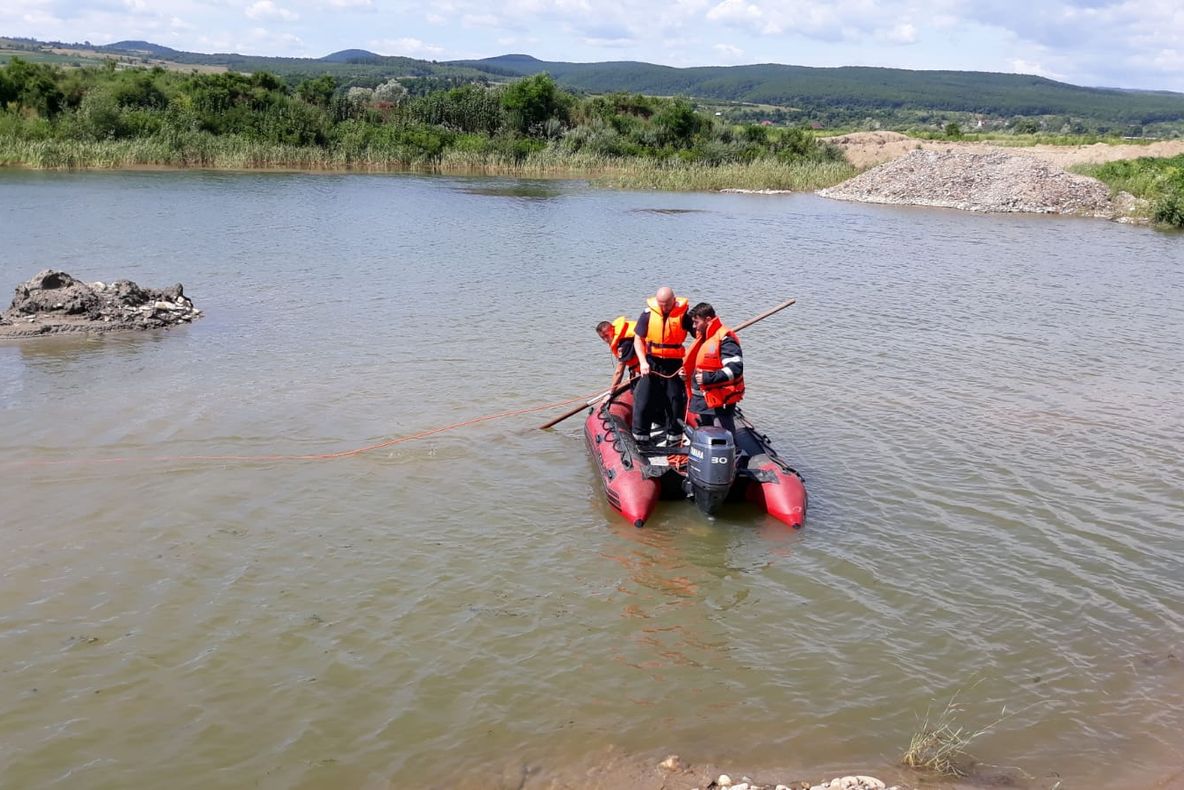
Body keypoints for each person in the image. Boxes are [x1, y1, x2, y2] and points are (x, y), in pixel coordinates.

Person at [631, 286, 692, 446]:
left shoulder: (684, 316)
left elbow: (698, 337)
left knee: (675, 400)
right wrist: (643, 362)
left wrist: (689, 365)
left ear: (674, 300)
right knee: (643, 399)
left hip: (674, 364)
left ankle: (674, 439)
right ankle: (640, 439)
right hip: (652, 362)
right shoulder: (647, 314)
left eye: (667, 304)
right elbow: (638, 339)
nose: (664, 308)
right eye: (661, 304)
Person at [683, 301, 744, 438]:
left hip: (719, 401)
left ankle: (733, 451)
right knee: (705, 435)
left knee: (722, 435)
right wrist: (686, 375)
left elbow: (735, 369)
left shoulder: (725, 340)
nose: (694, 326)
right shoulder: (704, 338)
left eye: (696, 322)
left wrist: (707, 378)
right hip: (703, 400)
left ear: (708, 320)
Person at [595, 315, 640, 392]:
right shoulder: (620, 338)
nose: (606, 340)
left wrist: (611, 392)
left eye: (607, 335)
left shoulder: (625, 343)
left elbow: (619, 372)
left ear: (612, 329)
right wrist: (632, 376)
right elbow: (632, 357)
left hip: (652, 367)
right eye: (602, 337)